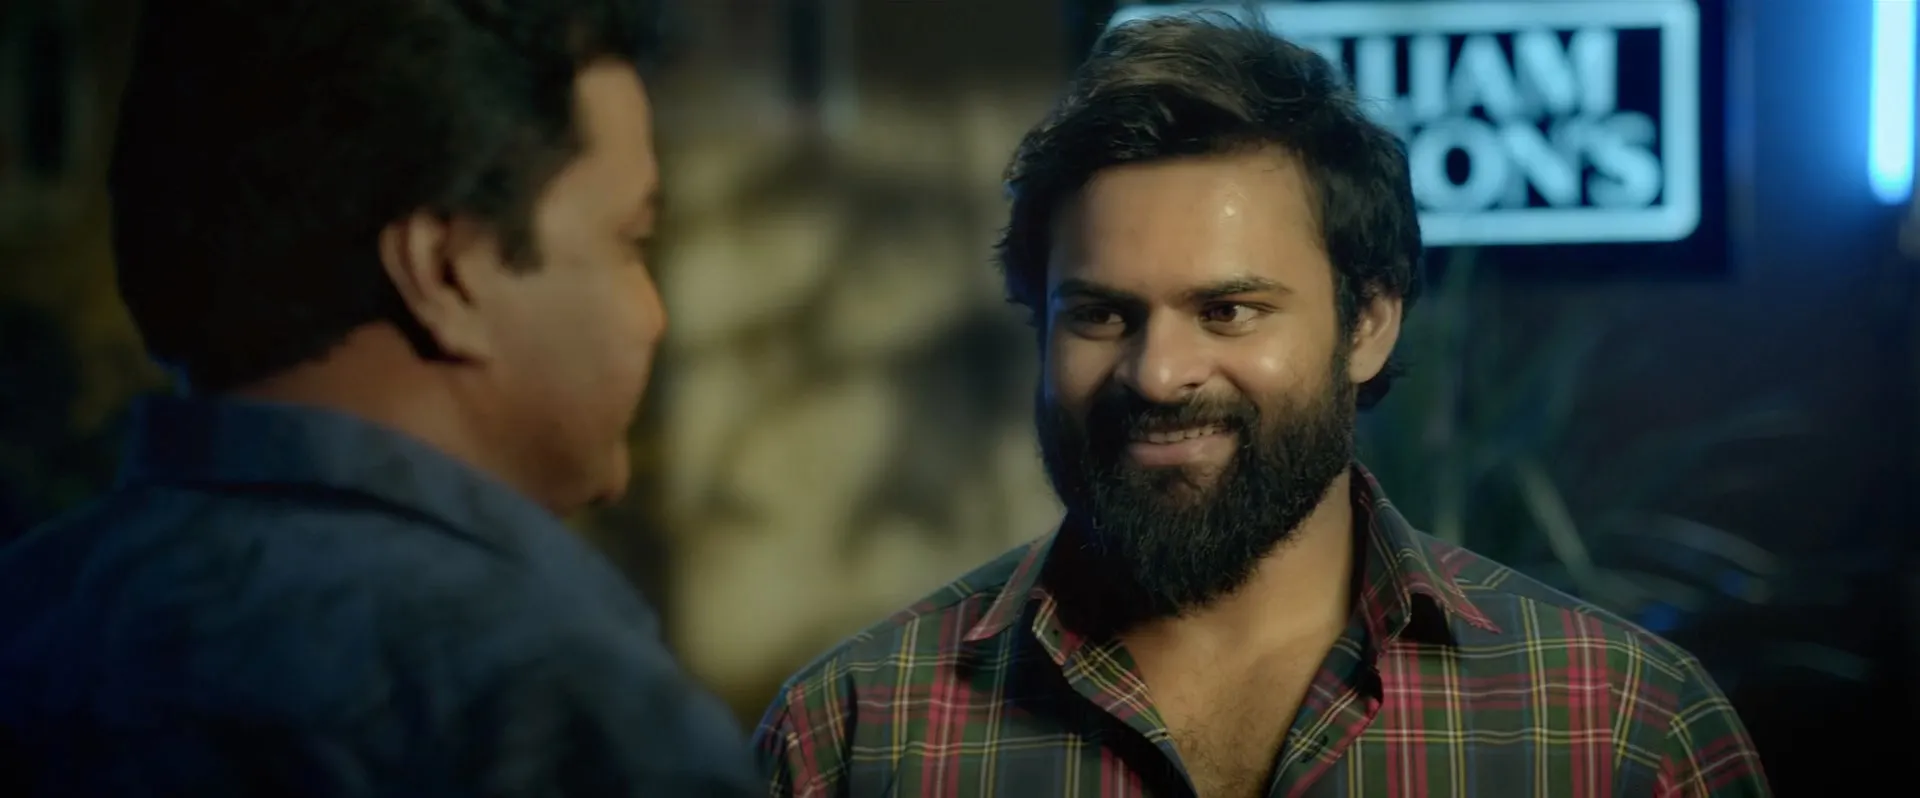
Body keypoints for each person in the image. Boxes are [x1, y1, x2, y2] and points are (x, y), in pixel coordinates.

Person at [754, 13, 1770, 798]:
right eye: (1101, 315)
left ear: (1368, 324)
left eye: (1229, 310)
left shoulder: (1620, 726)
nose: (1159, 374)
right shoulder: (855, 736)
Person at [0, 0, 757, 794]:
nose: (653, 315)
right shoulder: (559, 711)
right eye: (629, 241)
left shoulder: (31, 618)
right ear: (445, 271)